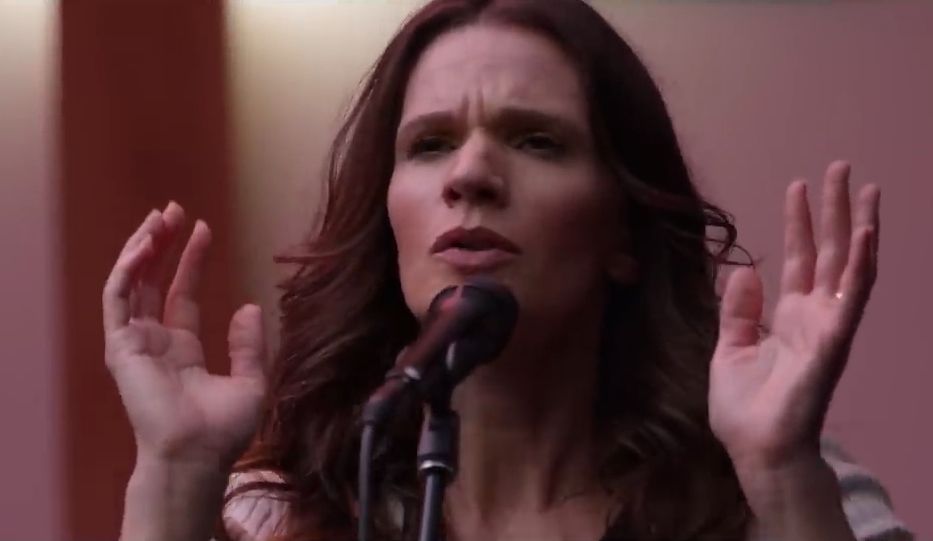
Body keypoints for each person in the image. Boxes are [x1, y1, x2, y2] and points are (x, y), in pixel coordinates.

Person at [102, 0, 916, 540]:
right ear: (389, 222)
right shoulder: (278, 517)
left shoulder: (773, 488)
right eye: (430, 144)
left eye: (537, 141)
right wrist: (176, 467)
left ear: (623, 231)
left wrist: (781, 473)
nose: (470, 174)